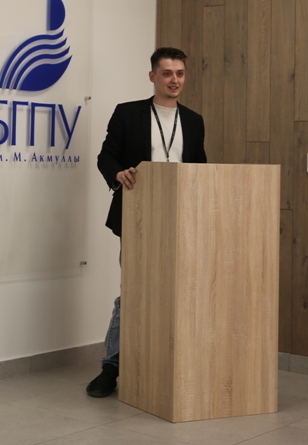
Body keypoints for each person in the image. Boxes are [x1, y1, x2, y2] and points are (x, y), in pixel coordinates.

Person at [86, 47, 207, 398]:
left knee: (179, 291)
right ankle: (112, 367)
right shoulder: (128, 113)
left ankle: (164, 364)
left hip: (183, 219)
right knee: (134, 291)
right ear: (153, 76)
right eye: (167, 73)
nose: (174, 80)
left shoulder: (194, 121)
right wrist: (117, 174)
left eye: (180, 73)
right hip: (139, 216)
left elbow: (200, 166)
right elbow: (106, 157)